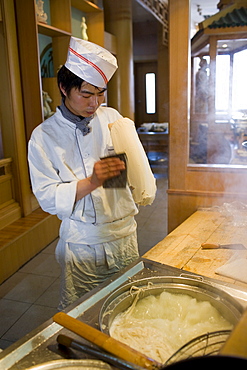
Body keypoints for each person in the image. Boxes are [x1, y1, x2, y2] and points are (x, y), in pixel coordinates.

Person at [28, 37, 156, 310]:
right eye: (86, 94)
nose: (94, 103)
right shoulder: (44, 136)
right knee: (85, 311)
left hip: (124, 235)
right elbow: (47, 197)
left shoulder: (112, 120)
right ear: (64, 87)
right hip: (83, 244)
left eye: (101, 93)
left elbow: (128, 175)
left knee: (127, 305)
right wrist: (92, 181)